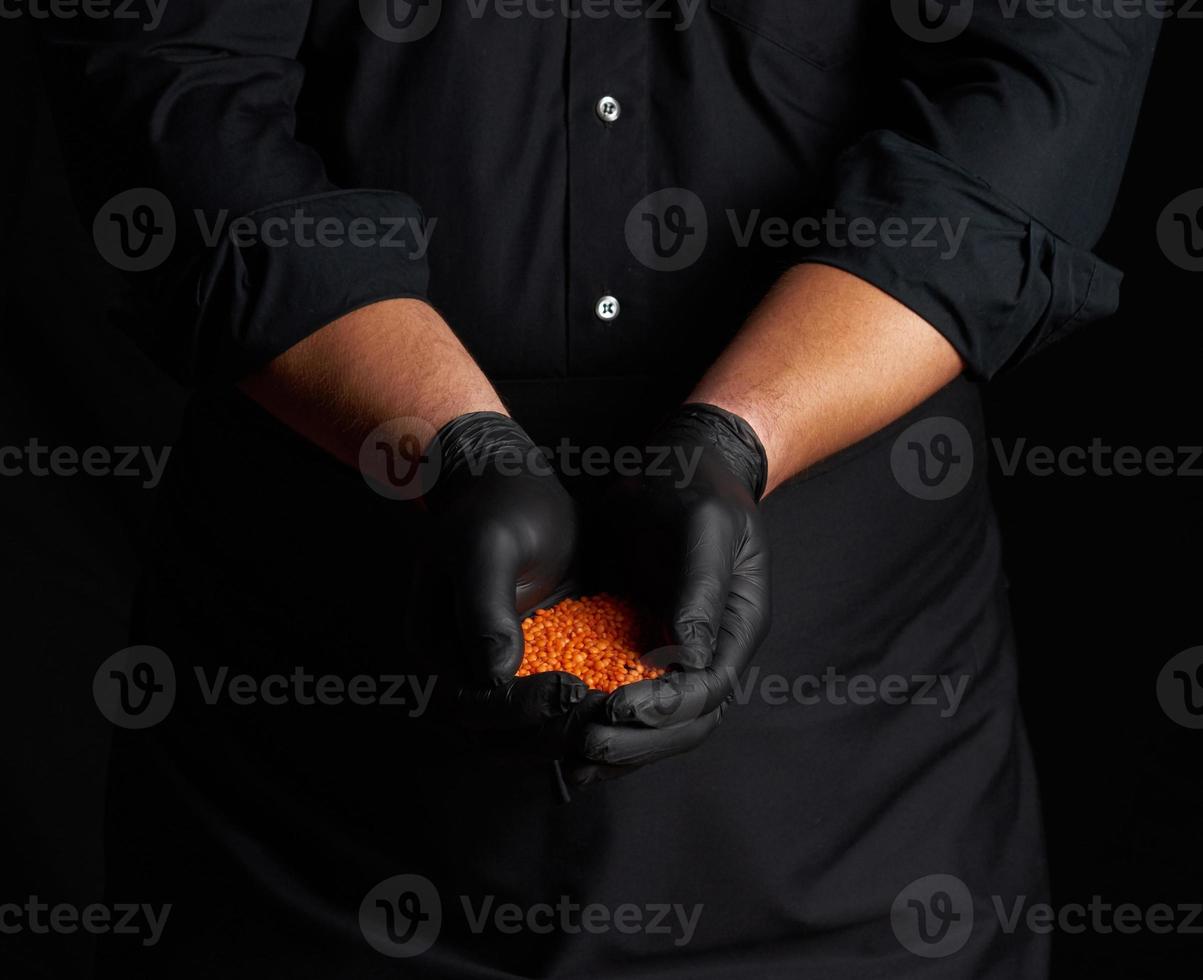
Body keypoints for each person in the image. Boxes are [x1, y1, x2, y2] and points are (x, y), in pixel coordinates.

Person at [40, 2, 1158, 976]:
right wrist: (452, 446)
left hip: (850, 806)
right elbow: (172, 86)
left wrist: (735, 437)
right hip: (312, 799)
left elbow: (1042, 93)